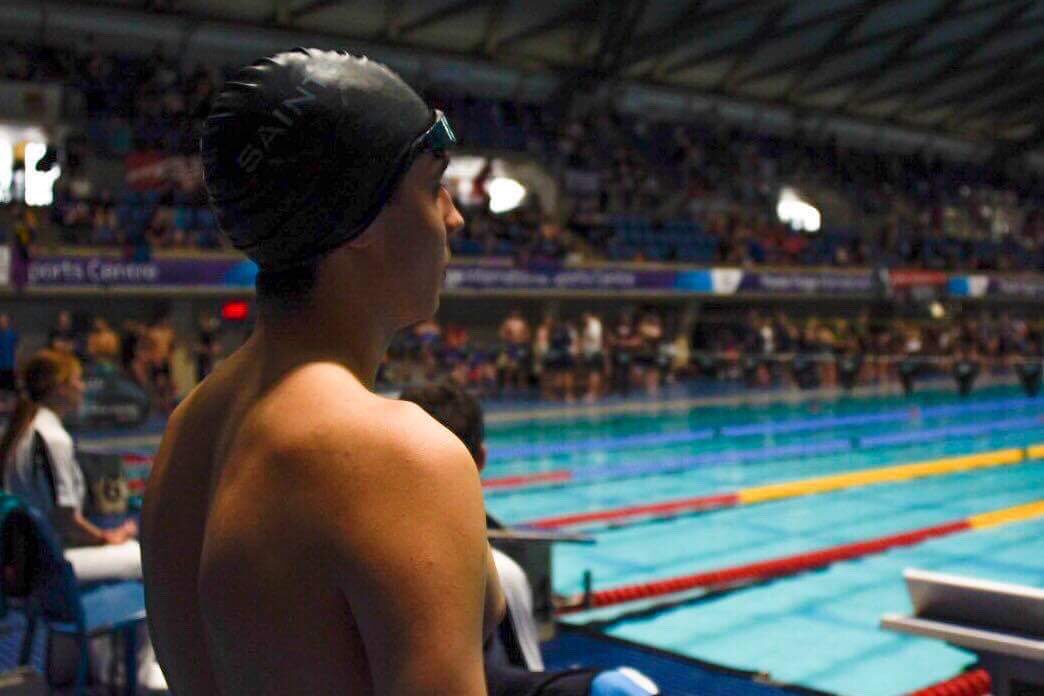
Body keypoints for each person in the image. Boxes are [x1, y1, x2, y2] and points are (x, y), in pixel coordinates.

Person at [142, 49, 504, 695]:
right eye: (432, 186)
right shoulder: (399, 458)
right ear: (360, 216)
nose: (453, 216)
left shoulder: (189, 428)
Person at [400, 380, 659, 696]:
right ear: (481, 458)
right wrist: (583, 687)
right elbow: (521, 677)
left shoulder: (358, 551)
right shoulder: (496, 574)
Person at [0, 314, 19, 399]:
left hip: (10, 365)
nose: (2, 323)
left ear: (7, 322)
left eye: (4, 321)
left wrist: (15, 364)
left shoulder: (12, 334)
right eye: (1, 321)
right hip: (1, 365)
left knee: (10, 389)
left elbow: (16, 350)